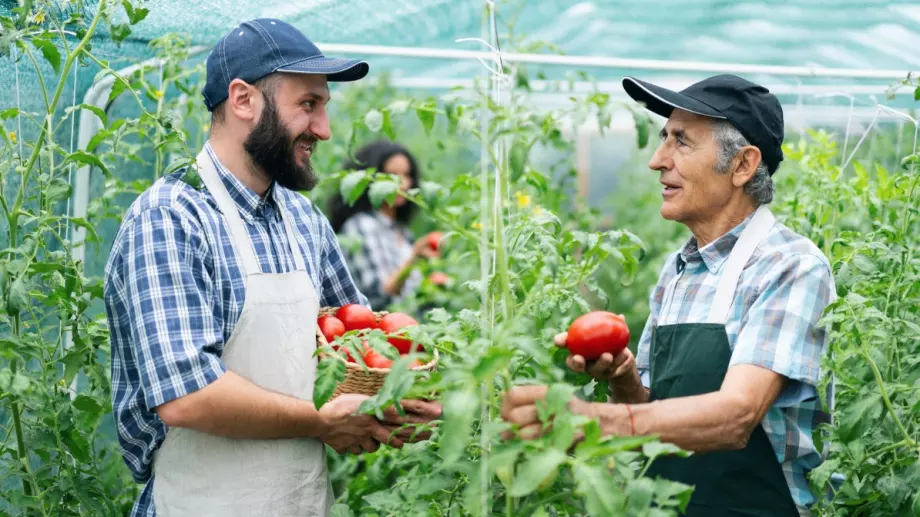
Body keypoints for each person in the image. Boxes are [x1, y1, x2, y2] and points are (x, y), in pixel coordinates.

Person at [104, 19, 440, 517]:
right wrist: (322, 423)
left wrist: (400, 403)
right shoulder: (172, 217)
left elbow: (361, 346)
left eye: (324, 106)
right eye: (308, 105)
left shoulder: (304, 220)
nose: (324, 130)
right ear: (243, 101)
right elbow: (187, 396)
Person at [500, 75, 836, 517]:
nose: (658, 160)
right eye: (664, 139)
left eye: (681, 141)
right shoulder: (677, 271)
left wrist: (592, 420)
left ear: (742, 165)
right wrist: (623, 378)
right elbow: (650, 421)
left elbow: (737, 417)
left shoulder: (790, 266)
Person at [329, 140, 439, 309]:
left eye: (407, 175)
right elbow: (377, 297)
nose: (403, 184)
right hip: (376, 331)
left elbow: (409, 297)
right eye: (392, 175)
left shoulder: (403, 232)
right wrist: (414, 257)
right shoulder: (362, 226)